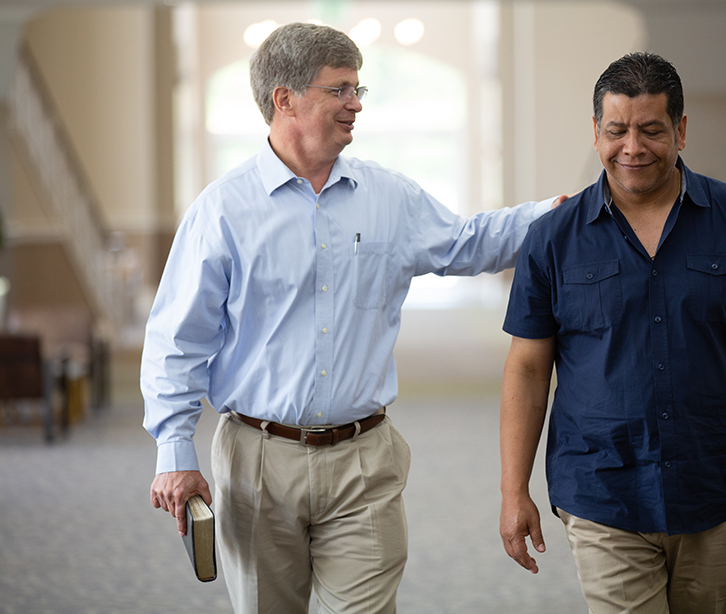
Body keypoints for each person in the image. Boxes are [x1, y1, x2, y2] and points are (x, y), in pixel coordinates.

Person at [142, 23, 556, 614]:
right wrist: (174, 450)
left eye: (358, 89)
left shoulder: (388, 196)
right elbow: (176, 342)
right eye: (339, 89)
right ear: (285, 99)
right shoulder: (222, 211)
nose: (355, 103)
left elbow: (469, 243)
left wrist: (563, 214)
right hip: (257, 459)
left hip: (365, 461)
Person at [498, 52, 726, 614]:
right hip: (601, 487)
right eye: (617, 131)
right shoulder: (552, 238)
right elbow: (527, 366)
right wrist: (512, 490)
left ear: (681, 130)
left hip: (711, 481)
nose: (632, 148)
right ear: (595, 133)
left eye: (651, 130)